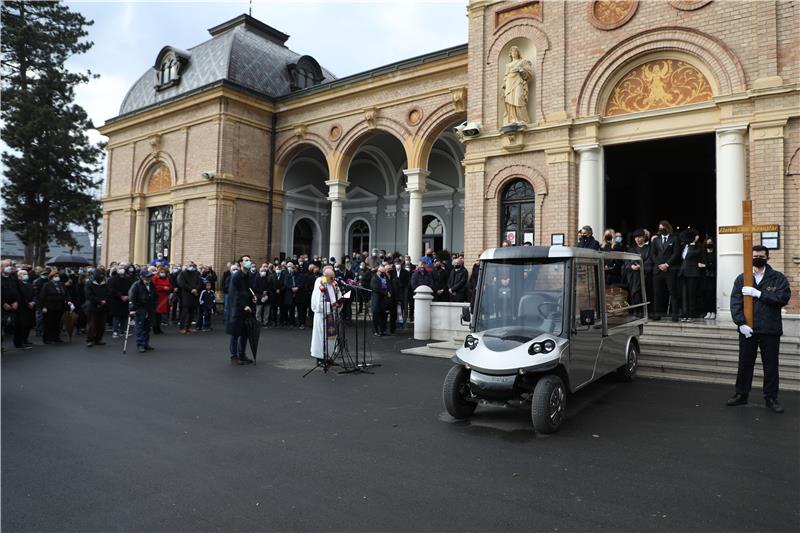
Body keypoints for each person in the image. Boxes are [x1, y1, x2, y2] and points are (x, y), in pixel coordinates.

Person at [727, 245, 791, 413]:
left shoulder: (777, 278)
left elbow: (782, 298)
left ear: (768, 258)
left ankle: (771, 398)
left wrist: (759, 294)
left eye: (761, 256)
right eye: (755, 256)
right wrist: (740, 323)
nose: (758, 258)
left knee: (770, 365)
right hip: (748, 329)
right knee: (745, 363)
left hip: (770, 329)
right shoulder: (742, 278)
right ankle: (741, 394)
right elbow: (735, 303)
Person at [310, 266, 342, 362]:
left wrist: (339, 302)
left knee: (331, 337)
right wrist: (330, 305)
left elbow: (338, 295)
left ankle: (330, 356)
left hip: (332, 314)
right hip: (322, 316)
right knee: (321, 337)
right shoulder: (320, 284)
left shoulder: (333, 284)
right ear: (325, 276)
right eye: (331, 278)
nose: (333, 280)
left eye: (334, 277)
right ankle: (320, 357)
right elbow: (317, 303)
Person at [650, 220, 681, 322]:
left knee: (673, 292)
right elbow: (653, 254)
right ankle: (657, 314)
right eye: (660, 228)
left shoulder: (674, 239)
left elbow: (676, 253)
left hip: (670, 269)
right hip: (658, 270)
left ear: (667, 228)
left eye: (663, 228)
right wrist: (660, 265)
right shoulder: (656, 240)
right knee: (657, 293)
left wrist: (667, 264)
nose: (661, 230)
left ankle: (675, 314)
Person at [225, 259, 255, 365]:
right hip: (236, 309)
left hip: (246, 310)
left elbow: (248, 291)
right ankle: (234, 356)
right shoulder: (236, 276)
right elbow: (235, 294)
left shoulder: (249, 276)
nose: (249, 262)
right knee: (235, 333)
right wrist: (244, 305)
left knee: (245, 333)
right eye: (246, 260)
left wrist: (252, 298)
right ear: (241, 263)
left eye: (250, 260)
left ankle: (242, 354)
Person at [128, 269, 157, 353]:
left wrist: (154, 304)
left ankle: (145, 343)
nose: (149, 278)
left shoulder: (151, 284)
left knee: (147, 327)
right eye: (147, 277)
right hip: (140, 308)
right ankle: (140, 344)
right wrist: (132, 309)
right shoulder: (136, 285)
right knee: (140, 327)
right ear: (141, 277)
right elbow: (132, 297)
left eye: (150, 276)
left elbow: (155, 295)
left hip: (149, 308)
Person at [625, 229, 653, 315]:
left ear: (644, 237)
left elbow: (650, 260)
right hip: (633, 275)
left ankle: (643, 311)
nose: (637, 239)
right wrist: (631, 266)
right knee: (634, 293)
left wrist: (641, 267)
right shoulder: (632, 248)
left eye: (639, 237)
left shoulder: (649, 248)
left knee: (643, 293)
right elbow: (627, 261)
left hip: (645, 275)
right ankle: (636, 311)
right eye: (636, 237)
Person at [39, 270, 71, 344]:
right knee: (49, 323)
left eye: (58, 276)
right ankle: (47, 338)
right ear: (51, 277)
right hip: (49, 307)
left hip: (59, 307)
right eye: (55, 276)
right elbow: (42, 297)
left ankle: (56, 337)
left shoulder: (61, 285)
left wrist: (68, 301)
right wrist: (43, 306)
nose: (57, 278)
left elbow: (66, 294)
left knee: (57, 323)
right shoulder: (46, 285)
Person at [678, 228, 702, 322]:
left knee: (691, 295)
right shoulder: (684, 246)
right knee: (684, 295)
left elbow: (694, 254)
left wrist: (692, 243)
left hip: (692, 273)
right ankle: (684, 314)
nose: (697, 237)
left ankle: (691, 314)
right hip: (683, 273)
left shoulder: (697, 247)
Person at [84, 268, 109, 347]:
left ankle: (98, 339)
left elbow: (108, 293)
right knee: (92, 324)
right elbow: (89, 295)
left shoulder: (105, 283)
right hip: (92, 306)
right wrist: (99, 301)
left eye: (102, 275)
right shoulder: (89, 283)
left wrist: (105, 300)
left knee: (101, 325)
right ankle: (90, 340)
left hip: (103, 306)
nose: (101, 276)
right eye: (100, 275)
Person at [109, 264, 134, 338]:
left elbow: (131, 289)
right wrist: (120, 296)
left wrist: (127, 296)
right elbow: (111, 290)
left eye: (123, 268)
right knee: (116, 316)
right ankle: (115, 331)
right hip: (116, 300)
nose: (121, 269)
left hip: (125, 300)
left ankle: (123, 330)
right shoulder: (112, 279)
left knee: (124, 316)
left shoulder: (127, 279)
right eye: (120, 268)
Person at [177, 262, 202, 334]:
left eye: (192, 266)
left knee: (192, 312)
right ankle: (182, 328)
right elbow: (182, 283)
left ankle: (188, 327)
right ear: (186, 266)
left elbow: (199, 282)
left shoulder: (196, 273)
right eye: (190, 265)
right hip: (186, 294)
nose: (191, 267)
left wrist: (196, 289)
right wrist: (191, 289)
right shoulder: (182, 273)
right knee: (185, 311)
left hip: (195, 294)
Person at [14, 270, 35, 349]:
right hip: (22, 307)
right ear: (19, 276)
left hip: (31, 306)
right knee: (21, 325)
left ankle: (25, 339)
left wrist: (33, 302)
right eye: (24, 274)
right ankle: (19, 342)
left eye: (26, 274)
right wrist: (27, 303)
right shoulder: (18, 285)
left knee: (28, 325)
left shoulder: (30, 284)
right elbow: (20, 296)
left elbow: (34, 294)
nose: (26, 275)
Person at [370, 265, 391, 336]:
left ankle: (383, 330)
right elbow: (376, 288)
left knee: (384, 316)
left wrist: (389, 292)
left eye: (384, 272)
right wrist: (386, 293)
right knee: (376, 317)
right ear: (379, 272)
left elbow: (388, 285)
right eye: (383, 272)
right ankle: (375, 331)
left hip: (384, 301)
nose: (384, 273)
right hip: (377, 300)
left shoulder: (385, 278)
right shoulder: (374, 278)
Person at [700, 238, 717, 320]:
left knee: (712, 294)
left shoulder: (715, 253)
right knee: (706, 295)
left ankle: (713, 312)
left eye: (710, 242)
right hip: (704, 277)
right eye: (707, 243)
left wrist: (705, 266)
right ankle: (708, 312)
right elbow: (699, 264)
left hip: (712, 277)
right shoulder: (703, 253)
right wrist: (707, 265)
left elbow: (714, 265)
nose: (709, 244)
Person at [152, 268, 172, 334]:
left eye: (164, 272)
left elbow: (170, 286)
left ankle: (158, 328)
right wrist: (163, 288)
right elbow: (154, 286)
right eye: (161, 272)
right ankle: (155, 328)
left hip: (164, 297)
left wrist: (169, 288)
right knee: (156, 314)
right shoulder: (155, 278)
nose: (163, 273)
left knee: (160, 314)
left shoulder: (167, 278)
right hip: (157, 297)